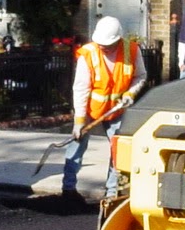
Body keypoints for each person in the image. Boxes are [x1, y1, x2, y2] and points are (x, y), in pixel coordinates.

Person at [63, 15, 148, 200]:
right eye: (99, 43)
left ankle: (111, 193)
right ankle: (68, 190)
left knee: (118, 151)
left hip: (116, 110)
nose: (102, 47)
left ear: (118, 40)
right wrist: (79, 121)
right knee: (76, 146)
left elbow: (140, 76)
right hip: (90, 111)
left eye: (106, 44)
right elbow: (81, 88)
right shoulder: (89, 54)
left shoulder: (131, 51)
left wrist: (130, 94)